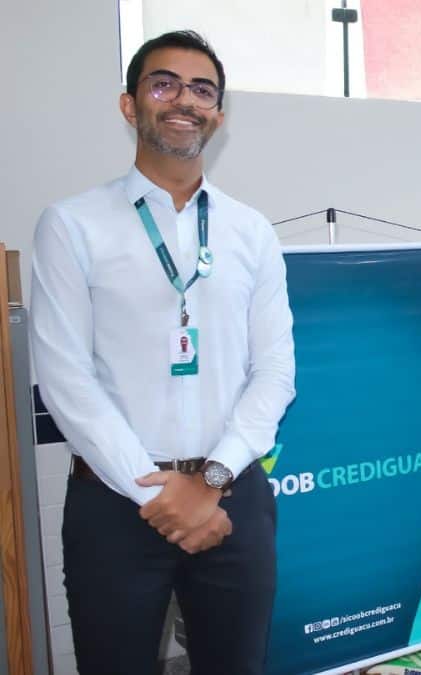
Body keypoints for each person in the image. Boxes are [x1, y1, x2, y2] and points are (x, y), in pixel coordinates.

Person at [30, 31, 295, 675]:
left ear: (218, 115)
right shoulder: (72, 224)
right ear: (130, 104)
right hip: (114, 502)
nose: (184, 100)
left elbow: (274, 372)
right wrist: (160, 496)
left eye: (202, 90)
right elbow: (66, 381)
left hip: (232, 496)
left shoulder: (251, 231)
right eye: (163, 83)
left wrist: (210, 483)